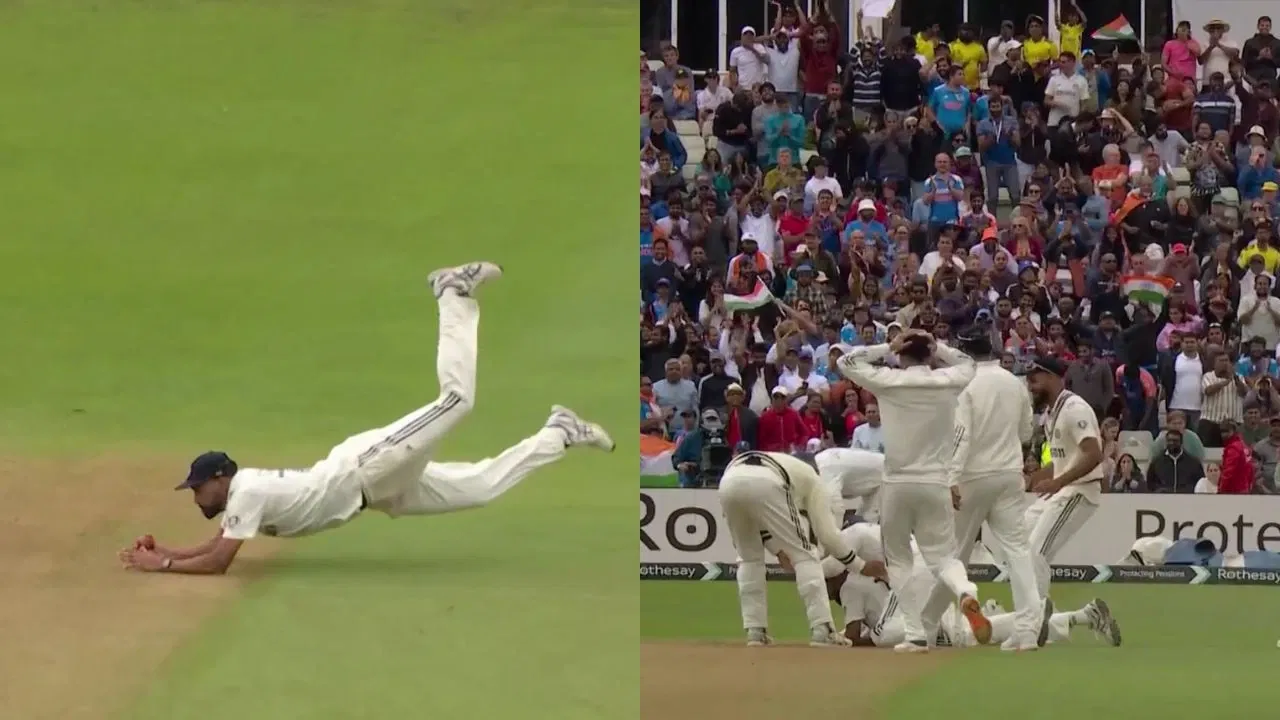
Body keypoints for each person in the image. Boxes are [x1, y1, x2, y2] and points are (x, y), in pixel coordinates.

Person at [119, 264, 617, 575]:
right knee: (481, 487)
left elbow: (220, 561)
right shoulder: (241, 501)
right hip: (378, 493)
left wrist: (159, 564)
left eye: (198, 488)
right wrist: (167, 551)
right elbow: (216, 544)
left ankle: (452, 292)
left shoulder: (245, 491)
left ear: (220, 479)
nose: (197, 496)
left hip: (366, 467)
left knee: (457, 401)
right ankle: (558, 433)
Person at [835, 329, 988, 652]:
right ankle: (964, 591)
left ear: (901, 357)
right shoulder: (948, 380)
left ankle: (915, 633)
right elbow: (970, 363)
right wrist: (939, 347)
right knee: (943, 556)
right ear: (929, 356)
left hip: (897, 482)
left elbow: (847, 361)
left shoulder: (889, 380)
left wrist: (886, 346)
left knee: (899, 560)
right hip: (935, 481)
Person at [919, 325, 1043, 652]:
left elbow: (961, 435)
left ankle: (926, 626)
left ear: (965, 352)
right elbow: (1027, 431)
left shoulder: (966, 384)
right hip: (1009, 473)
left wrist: (951, 478)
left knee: (953, 556)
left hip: (974, 476)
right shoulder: (1014, 383)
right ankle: (1028, 630)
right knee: (1018, 551)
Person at [823, 523, 1121, 648]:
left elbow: (852, 634)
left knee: (884, 635)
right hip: (929, 570)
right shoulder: (869, 542)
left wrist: (839, 639)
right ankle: (1079, 615)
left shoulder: (850, 574)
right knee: (970, 634)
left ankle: (952, 622)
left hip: (915, 574)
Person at [716, 450, 864, 647]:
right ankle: (822, 629)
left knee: (749, 558)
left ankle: (755, 631)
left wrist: (778, 550)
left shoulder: (785, 464)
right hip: (767, 480)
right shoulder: (813, 478)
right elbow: (827, 534)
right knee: (805, 555)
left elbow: (761, 522)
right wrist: (857, 564)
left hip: (728, 481)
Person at [1023, 357, 1104, 602]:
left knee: (1036, 552)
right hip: (1061, 491)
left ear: (1052, 377)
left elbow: (1094, 454)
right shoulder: (1051, 413)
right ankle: (1049, 620)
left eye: (1035, 380)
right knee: (1019, 543)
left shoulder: (1074, 409)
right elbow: (1059, 462)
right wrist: (1026, 480)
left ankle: (1035, 618)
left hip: (1079, 491)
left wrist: (1058, 483)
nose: (1031, 386)